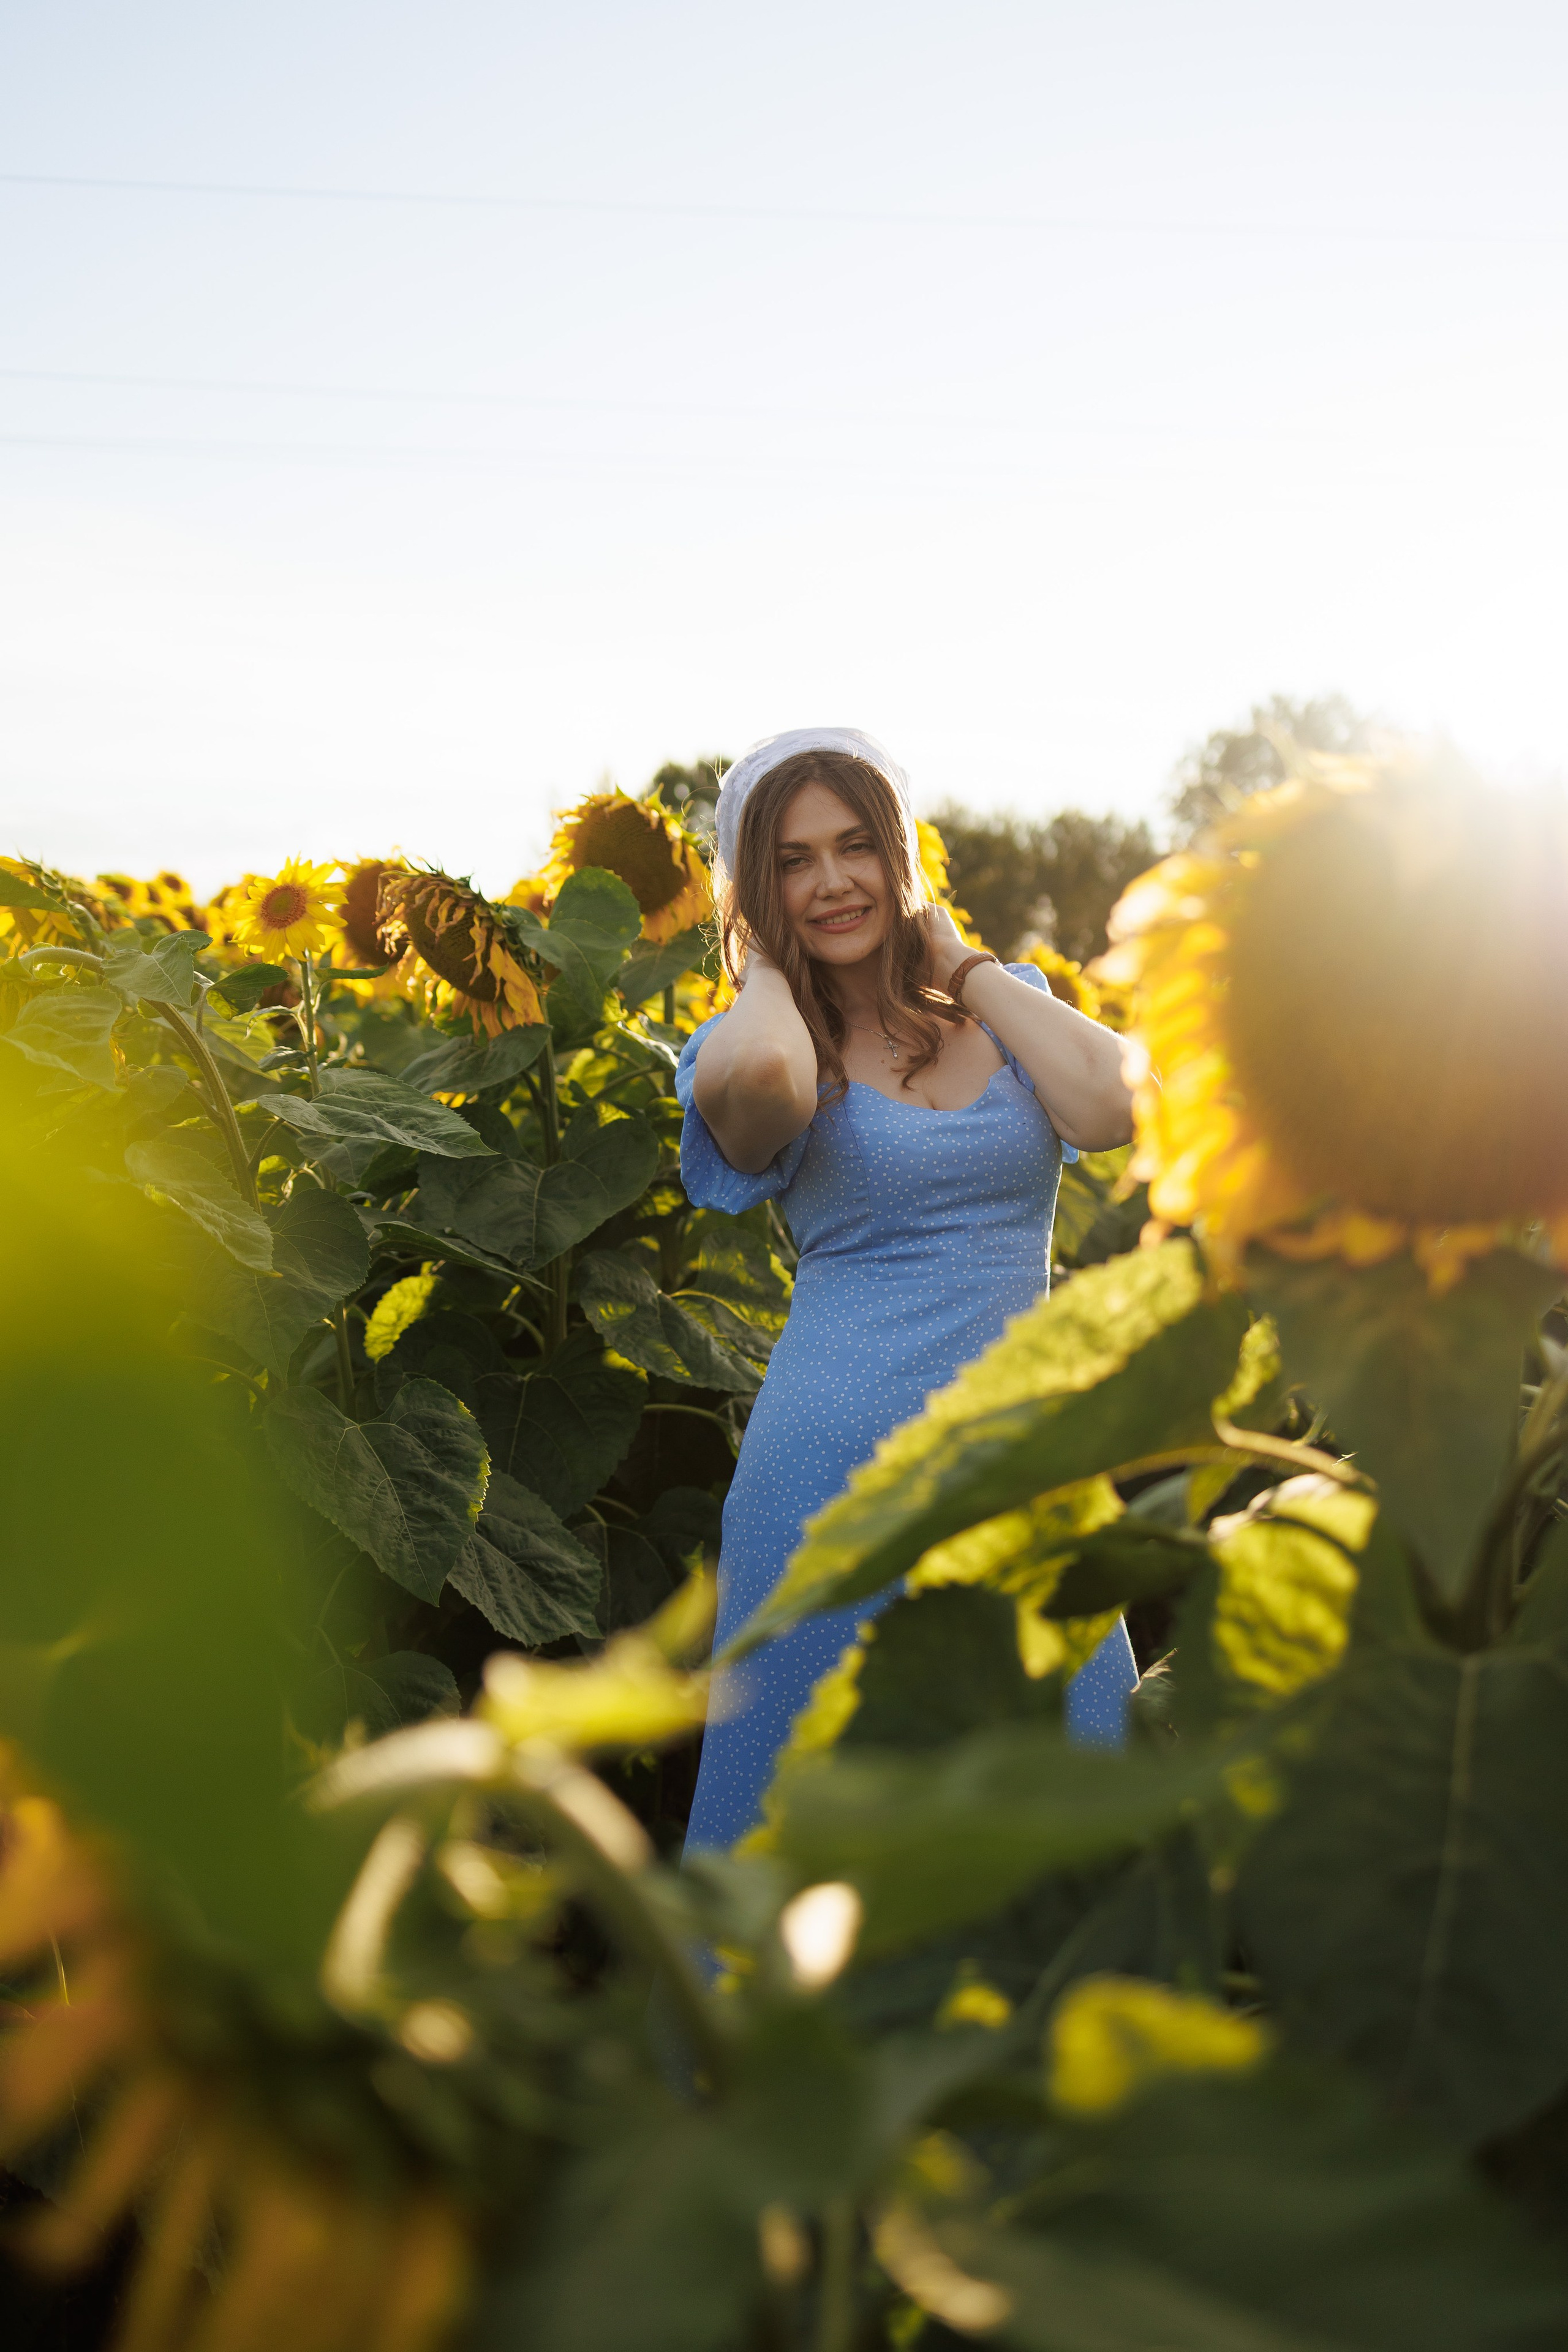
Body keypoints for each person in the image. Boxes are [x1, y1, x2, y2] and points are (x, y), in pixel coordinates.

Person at [676, 728, 1138, 1855]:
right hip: (833, 1484)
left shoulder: (1003, 1008)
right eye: (790, 861)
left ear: (900, 857)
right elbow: (774, 1089)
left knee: (1062, 1807)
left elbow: (1117, 1106)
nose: (832, 882)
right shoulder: (754, 1039)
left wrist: (965, 964)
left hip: (1022, 1461)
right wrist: (768, 964)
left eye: (855, 847)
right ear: (756, 887)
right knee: (821, 1817)